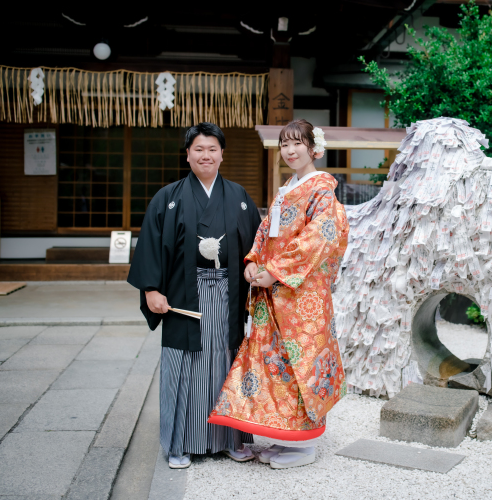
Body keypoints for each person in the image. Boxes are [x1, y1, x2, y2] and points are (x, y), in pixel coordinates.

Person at [208, 119, 349, 469]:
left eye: (297, 143)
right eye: (284, 144)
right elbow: (264, 231)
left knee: (301, 364)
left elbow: (321, 236)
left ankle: (306, 444)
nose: (289, 150)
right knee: (277, 364)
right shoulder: (288, 188)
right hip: (274, 291)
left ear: (313, 148)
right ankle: (287, 437)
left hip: (300, 296)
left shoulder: (321, 190)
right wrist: (254, 261)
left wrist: (275, 271)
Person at [127, 122, 262, 468]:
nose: (206, 155)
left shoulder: (239, 198)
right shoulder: (167, 199)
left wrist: (254, 267)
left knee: (227, 363)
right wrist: (151, 289)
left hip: (229, 295)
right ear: (187, 154)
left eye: (212, 149)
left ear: (222, 155)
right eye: (199, 149)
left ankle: (232, 439)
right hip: (183, 298)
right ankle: (179, 444)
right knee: (183, 367)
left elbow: (255, 247)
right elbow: (152, 248)